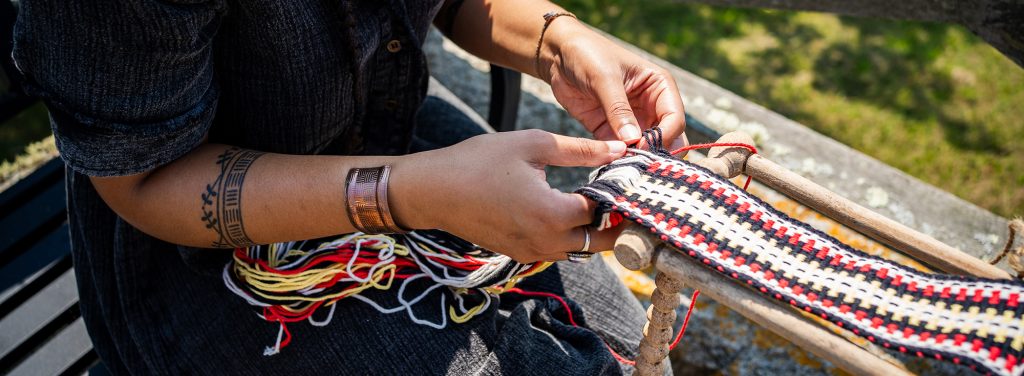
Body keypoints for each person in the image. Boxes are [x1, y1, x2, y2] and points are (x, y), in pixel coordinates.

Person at [13, 0, 688, 374]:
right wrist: (410, 193)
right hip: (194, 240)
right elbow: (145, 180)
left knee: (621, 348)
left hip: (388, 125)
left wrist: (556, 38)